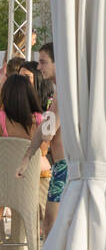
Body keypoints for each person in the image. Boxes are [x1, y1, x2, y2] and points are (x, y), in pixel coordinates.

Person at [17, 44, 63, 238]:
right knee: (50, 226)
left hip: (67, 168)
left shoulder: (65, 92)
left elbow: (47, 132)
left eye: (43, 62)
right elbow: (45, 129)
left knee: (51, 227)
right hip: (62, 167)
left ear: (57, 63)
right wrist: (27, 156)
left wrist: (47, 122)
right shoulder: (60, 91)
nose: (39, 67)